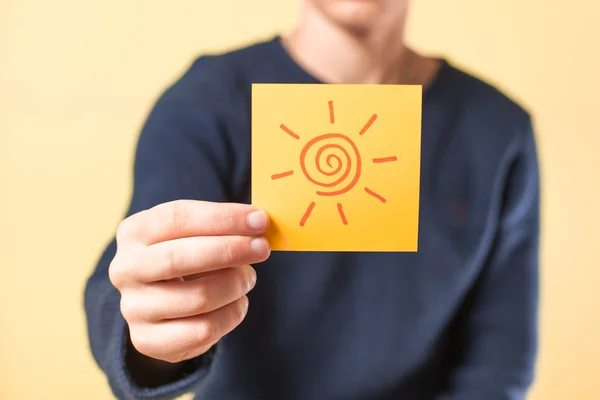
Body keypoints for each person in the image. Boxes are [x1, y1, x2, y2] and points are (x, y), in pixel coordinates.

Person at [84, 0, 540, 399]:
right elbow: (133, 284)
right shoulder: (205, 105)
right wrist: (149, 334)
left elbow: (500, 357)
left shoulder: (497, 130)